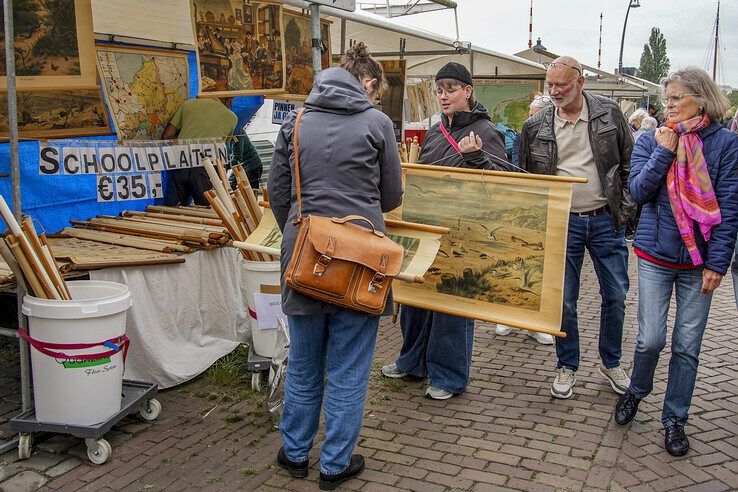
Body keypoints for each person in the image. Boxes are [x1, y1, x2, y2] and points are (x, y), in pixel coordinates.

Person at [268, 43, 402, 490]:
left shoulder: (295, 121)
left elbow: (277, 194)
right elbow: (392, 198)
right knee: (348, 366)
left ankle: (293, 453)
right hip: (361, 259)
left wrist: (301, 233)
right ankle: (334, 463)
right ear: (368, 83)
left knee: (304, 362)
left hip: (304, 254)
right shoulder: (377, 124)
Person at [614, 67, 738, 457]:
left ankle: (675, 419)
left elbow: (729, 208)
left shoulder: (724, 144)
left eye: (675, 98)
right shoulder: (652, 138)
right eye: (666, 98)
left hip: (699, 262)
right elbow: (637, 191)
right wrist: (665, 151)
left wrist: (717, 264)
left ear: (700, 99)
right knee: (650, 339)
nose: (668, 105)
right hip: (655, 255)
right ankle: (637, 390)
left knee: (687, 345)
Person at [381, 62, 508, 400]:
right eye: (439, 90)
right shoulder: (437, 132)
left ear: (468, 91)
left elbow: (501, 184)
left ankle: (449, 376)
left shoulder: (486, 132)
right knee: (416, 299)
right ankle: (412, 362)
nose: (443, 96)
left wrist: (477, 157)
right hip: (427, 226)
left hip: (462, 231)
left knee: (452, 304)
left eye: (450, 89)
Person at [518, 56, 635, 399]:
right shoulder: (536, 125)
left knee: (615, 295)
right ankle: (566, 365)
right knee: (564, 301)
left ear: (581, 82)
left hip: (604, 219)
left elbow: (629, 161)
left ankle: (610, 361)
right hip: (561, 222)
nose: (553, 91)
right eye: (549, 85)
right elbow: (525, 176)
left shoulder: (608, 113)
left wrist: (626, 208)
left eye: (561, 85)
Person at [496, 93, 555, 344]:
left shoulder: (556, 136)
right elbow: (516, 168)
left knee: (543, 266)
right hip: (527, 204)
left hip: (551, 205)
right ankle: (506, 316)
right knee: (516, 260)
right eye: (529, 116)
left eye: (534, 116)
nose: (530, 120)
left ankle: (536, 322)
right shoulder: (522, 136)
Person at [162, 97, 238, 205]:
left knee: (171, 209)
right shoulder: (232, 117)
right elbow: (221, 149)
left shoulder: (188, 104)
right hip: (206, 169)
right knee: (204, 211)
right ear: (229, 100)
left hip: (181, 163)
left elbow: (167, 135)